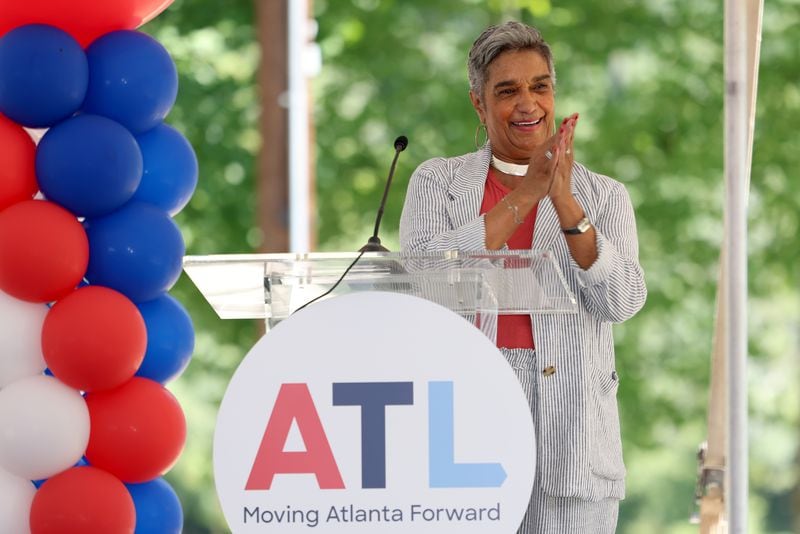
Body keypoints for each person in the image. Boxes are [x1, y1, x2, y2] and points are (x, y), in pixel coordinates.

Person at [399, 21, 647, 533]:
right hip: (462, 434)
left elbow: (623, 301)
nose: (528, 104)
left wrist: (564, 201)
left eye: (540, 86)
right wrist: (526, 194)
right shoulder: (438, 182)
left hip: (573, 440)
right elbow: (423, 278)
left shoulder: (604, 196)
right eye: (507, 91)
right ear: (479, 104)